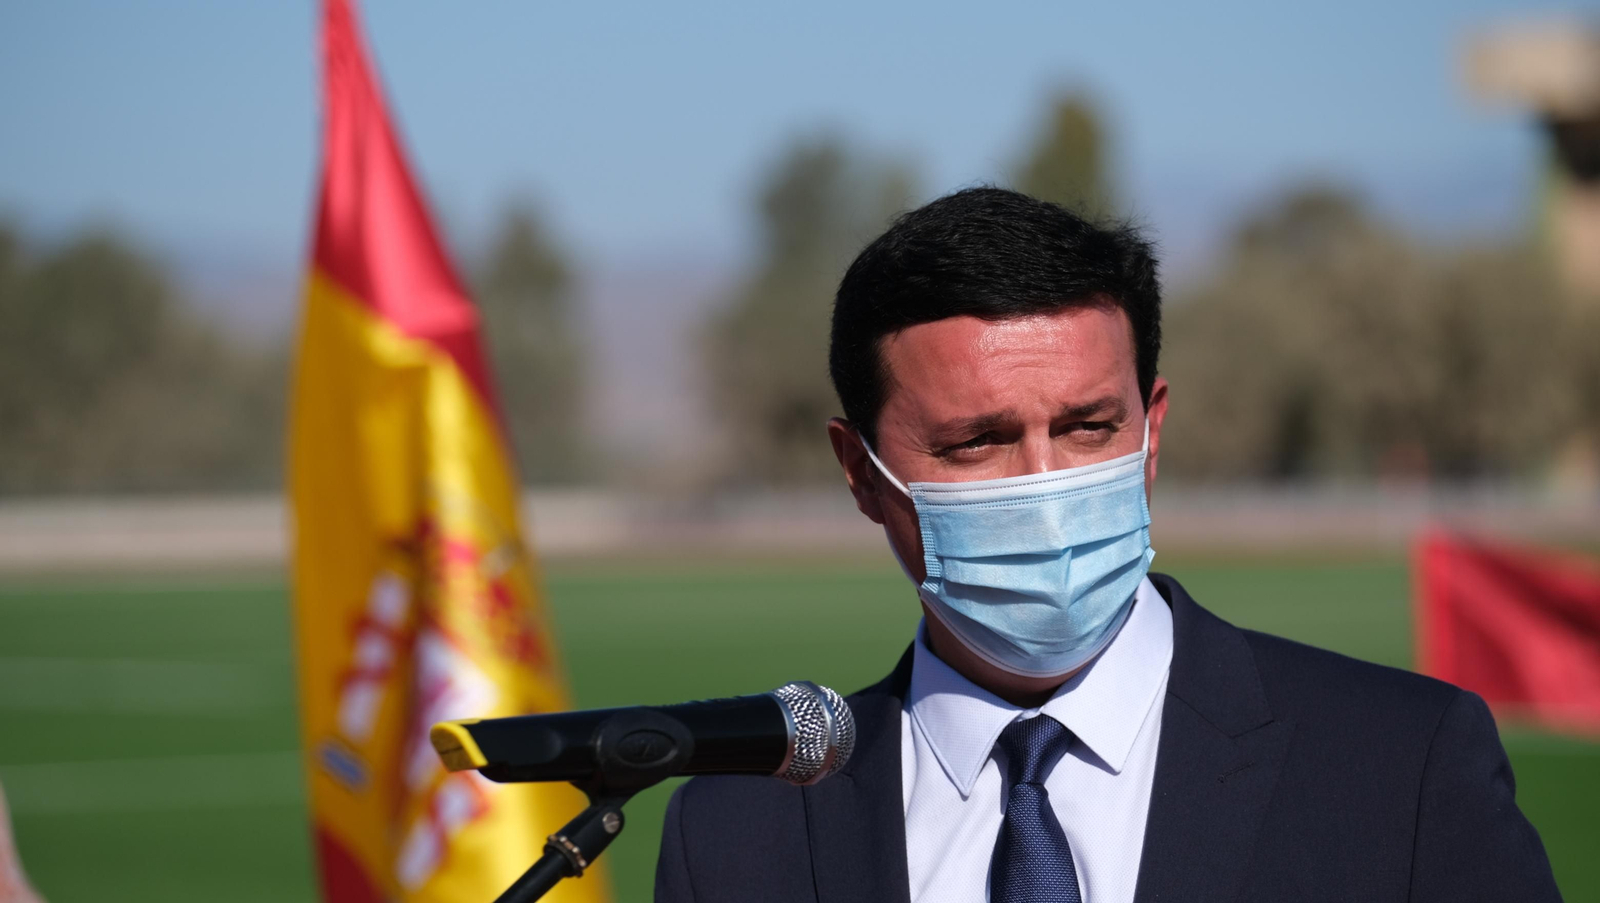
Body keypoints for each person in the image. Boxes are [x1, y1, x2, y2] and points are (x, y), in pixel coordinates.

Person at [653, 188, 1561, 903]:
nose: (1044, 485)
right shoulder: (740, 834)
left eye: (1089, 427)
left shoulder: (1398, 766)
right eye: (977, 442)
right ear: (859, 472)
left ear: (1152, 429)